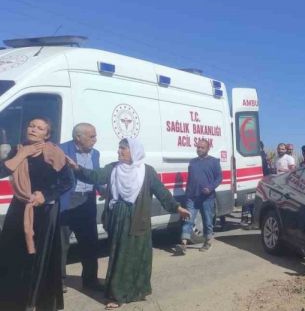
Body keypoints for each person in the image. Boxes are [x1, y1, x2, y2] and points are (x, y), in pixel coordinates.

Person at [67, 138, 190, 309]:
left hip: (139, 219)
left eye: (123, 148)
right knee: (120, 256)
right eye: (119, 148)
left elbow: (162, 192)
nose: (119, 151)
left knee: (139, 256)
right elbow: (96, 176)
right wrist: (77, 168)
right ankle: (117, 295)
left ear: (134, 151)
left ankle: (137, 291)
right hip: (118, 219)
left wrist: (177, 207)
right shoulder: (113, 168)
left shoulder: (147, 171)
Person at [0, 117, 74, 311]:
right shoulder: (16, 150)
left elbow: (67, 181)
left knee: (39, 259)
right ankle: (12, 301)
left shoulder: (54, 152)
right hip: (19, 208)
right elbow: (3, 170)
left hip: (44, 212)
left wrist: (46, 195)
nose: (33, 129)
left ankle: (37, 301)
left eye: (40, 128)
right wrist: (22, 154)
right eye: (31, 126)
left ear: (46, 135)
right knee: (13, 255)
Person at [59, 123, 102, 293]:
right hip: (67, 201)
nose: (95, 140)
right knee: (61, 244)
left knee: (90, 243)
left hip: (87, 201)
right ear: (78, 137)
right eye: (91, 136)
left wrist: (103, 190)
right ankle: (59, 281)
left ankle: (90, 281)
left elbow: (95, 176)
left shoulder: (95, 154)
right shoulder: (61, 150)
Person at [176, 139, 222, 255]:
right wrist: (187, 194)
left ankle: (208, 241)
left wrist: (210, 188)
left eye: (202, 147)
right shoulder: (192, 162)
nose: (199, 149)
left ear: (208, 149)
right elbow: (190, 179)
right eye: (198, 147)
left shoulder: (214, 162)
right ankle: (183, 243)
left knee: (207, 221)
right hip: (192, 197)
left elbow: (219, 178)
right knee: (188, 219)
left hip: (207, 197)